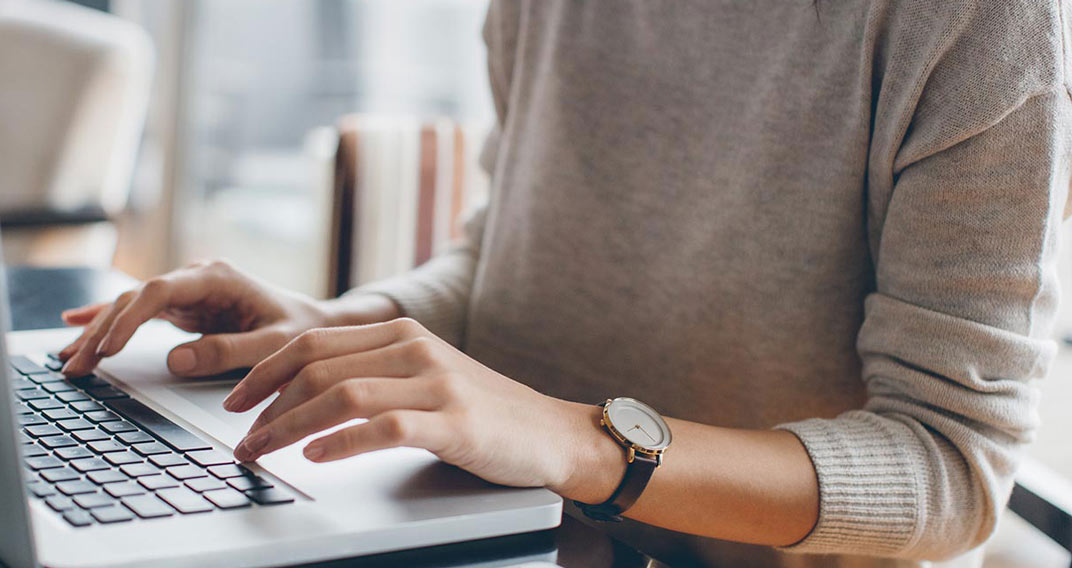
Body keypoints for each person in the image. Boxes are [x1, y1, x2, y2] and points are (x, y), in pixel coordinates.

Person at [57, 2, 1072, 566]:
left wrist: (583, 441)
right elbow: (503, 252)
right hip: (500, 538)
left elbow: (951, 466)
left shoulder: (987, 24)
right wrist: (340, 325)